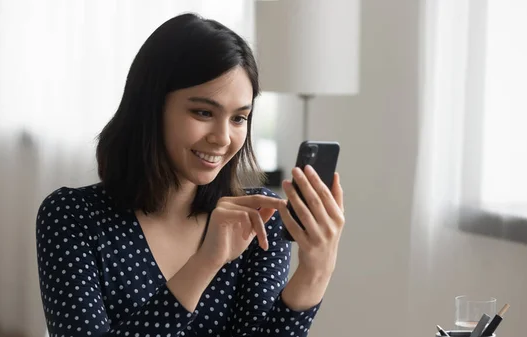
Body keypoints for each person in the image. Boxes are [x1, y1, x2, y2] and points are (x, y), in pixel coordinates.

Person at [35, 12, 345, 337]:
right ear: (151, 108)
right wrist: (205, 262)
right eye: (203, 112)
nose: (223, 138)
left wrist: (316, 271)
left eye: (239, 118)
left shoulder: (259, 217)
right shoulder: (72, 216)